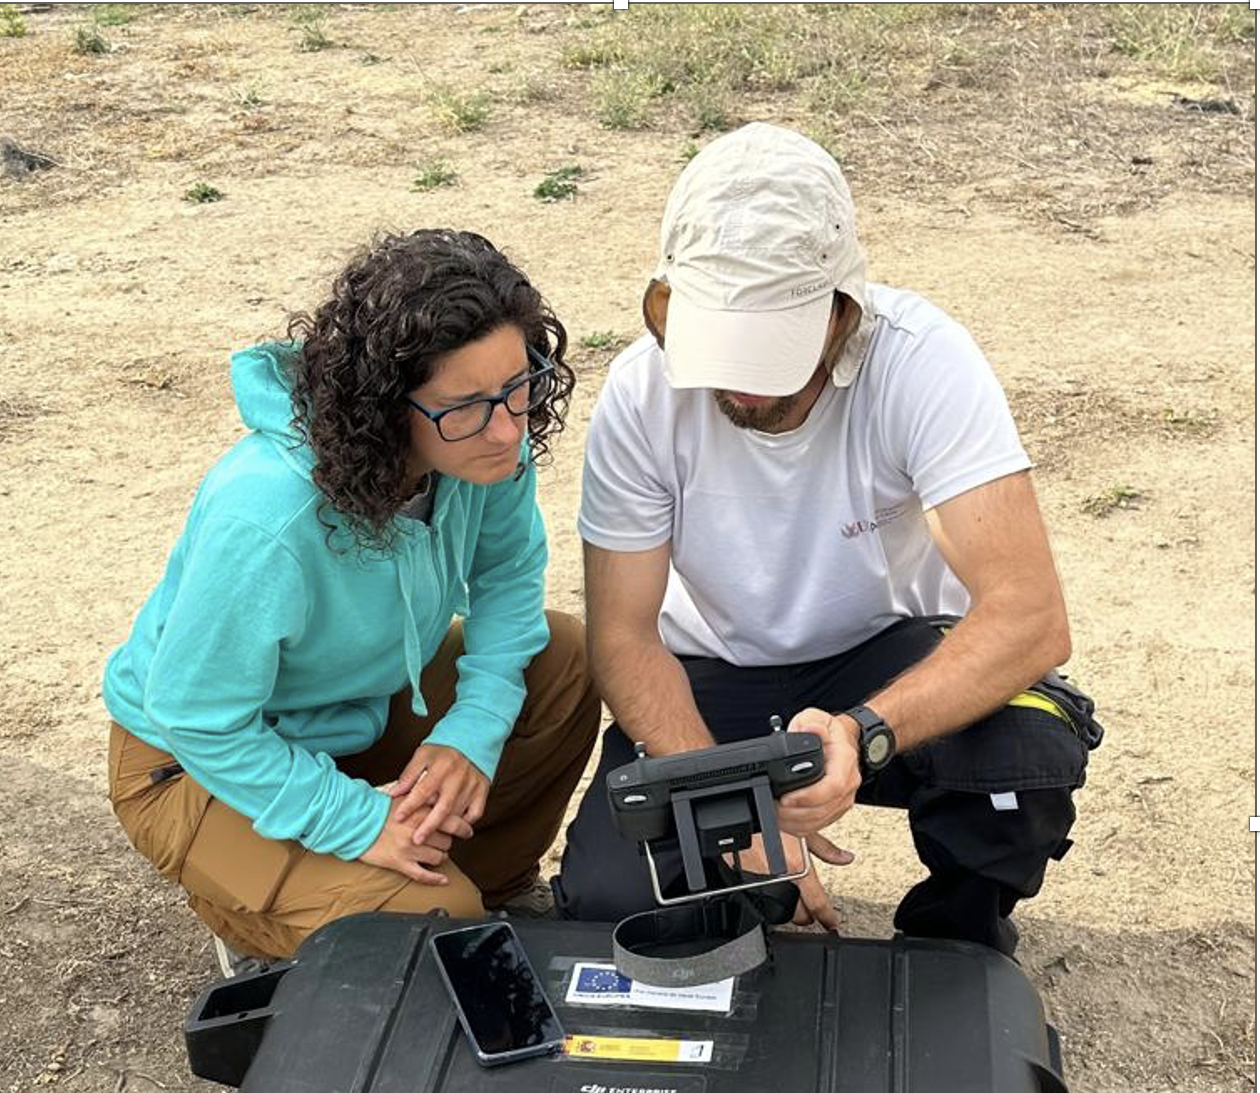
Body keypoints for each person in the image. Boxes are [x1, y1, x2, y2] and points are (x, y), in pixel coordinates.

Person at [554, 123, 1099, 957]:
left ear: (842, 310)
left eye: (769, 350)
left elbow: (1029, 616)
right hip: (707, 677)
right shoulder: (639, 396)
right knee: (616, 906)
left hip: (885, 655)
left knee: (1025, 751)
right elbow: (625, 636)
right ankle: (751, 897)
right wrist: (728, 796)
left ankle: (954, 945)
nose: (739, 383)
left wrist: (862, 731)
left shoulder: (922, 363)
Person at [104, 229, 600, 972]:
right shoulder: (267, 515)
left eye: (520, 384)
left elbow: (507, 582)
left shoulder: (487, 438)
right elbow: (198, 718)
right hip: (193, 765)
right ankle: (249, 913)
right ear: (381, 408)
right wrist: (358, 821)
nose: (508, 429)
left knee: (561, 661)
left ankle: (480, 885)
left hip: (357, 707)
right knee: (436, 931)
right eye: (464, 406)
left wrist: (472, 729)